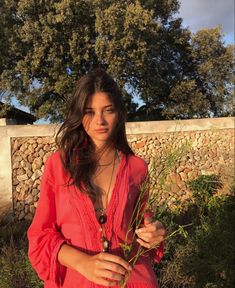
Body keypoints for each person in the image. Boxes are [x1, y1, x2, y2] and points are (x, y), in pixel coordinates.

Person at [27, 68, 166, 288]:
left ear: (119, 113)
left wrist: (154, 233)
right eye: (90, 112)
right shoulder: (59, 165)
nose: (99, 120)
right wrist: (83, 263)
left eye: (108, 110)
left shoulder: (137, 167)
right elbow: (41, 235)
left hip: (133, 280)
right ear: (79, 114)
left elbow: (142, 224)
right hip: (77, 281)